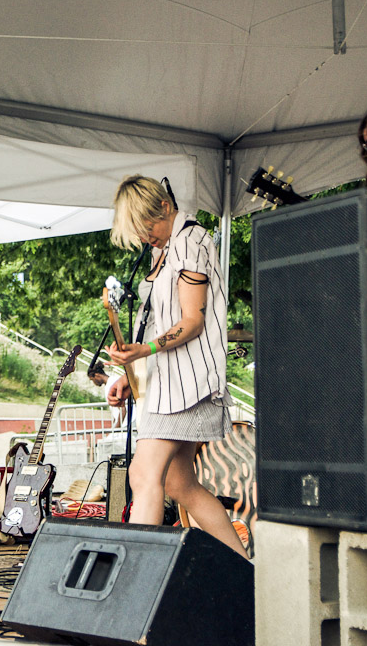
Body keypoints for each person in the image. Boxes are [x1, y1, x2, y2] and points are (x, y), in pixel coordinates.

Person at [103, 175, 249, 559]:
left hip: (188, 385)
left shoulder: (189, 242)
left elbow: (192, 321)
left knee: (143, 475)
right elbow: (159, 322)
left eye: (146, 226)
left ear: (165, 207)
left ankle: (134, 576)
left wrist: (145, 349)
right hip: (168, 384)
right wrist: (131, 373)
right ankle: (246, 572)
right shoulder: (165, 247)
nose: (144, 237)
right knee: (179, 484)